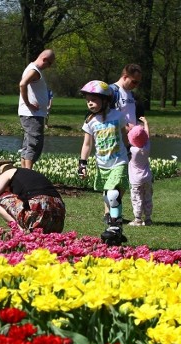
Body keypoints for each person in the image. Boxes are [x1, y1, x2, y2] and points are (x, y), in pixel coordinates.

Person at [77, 80, 130, 245]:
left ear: (106, 100)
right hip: (102, 165)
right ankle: (117, 230)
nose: (90, 103)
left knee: (113, 195)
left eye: (93, 99)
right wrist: (82, 164)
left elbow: (125, 135)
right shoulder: (90, 122)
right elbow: (87, 145)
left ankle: (114, 226)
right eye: (87, 100)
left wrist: (129, 150)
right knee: (108, 198)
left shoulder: (118, 116)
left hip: (119, 161)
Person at [0, 167, 65, 234]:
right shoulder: (26, 174)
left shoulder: (7, 173)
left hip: (37, 213)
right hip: (58, 220)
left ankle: (19, 230)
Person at [18, 49, 55, 169]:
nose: (49, 67)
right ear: (44, 59)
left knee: (28, 144)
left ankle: (24, 173)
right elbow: (23, 84)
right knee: (34, 144)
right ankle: (28, 174)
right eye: (49, 63)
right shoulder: (34, 70)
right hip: (32, 114)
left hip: (33, 114)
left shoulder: (33, 69)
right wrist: (28, 103)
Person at [127, 116, 153, 226]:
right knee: (147, 197)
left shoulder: (132, 150)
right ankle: (148, 219)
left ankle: (137, 219)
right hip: (147, 178)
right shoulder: (146, 147)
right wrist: (146, 122)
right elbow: (147, 135)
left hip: (135, 180)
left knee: (136, 198)